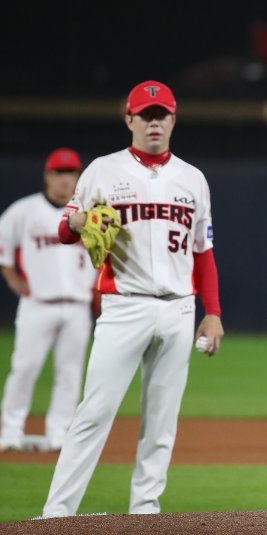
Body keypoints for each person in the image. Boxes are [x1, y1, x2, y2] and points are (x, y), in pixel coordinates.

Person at [42, 80, 224, 517]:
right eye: (145, 114)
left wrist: (212, 313)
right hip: (125, 304)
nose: (154, 122)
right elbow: (64, 232)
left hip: (180, 307)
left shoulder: (193, 179)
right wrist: (80, 218)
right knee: (94, 412)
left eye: (161, 114)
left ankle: (145, 510)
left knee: (161, 421)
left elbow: (204, 252)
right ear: (129, 120)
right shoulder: (103, 170)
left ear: (174, 119)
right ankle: (56, 515)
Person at [0, 148, 95, 453]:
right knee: (25, 368)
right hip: (38, 305)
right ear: (47, 175)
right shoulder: (24, 211)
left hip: (78, 308)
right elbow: (3, 250)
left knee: (69, 374)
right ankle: (10, 431)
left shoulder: (90, 215)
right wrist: (15, 281)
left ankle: (59, 435)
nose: (67, 179)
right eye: (60, 173)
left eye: (72, 173)